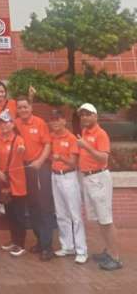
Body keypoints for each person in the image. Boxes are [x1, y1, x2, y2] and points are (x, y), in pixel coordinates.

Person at [77, 103, 121, 271]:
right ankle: (108, 251)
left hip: (99, 179)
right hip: (89, 178)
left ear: (95, 116)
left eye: (88, 114)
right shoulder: (85, 132)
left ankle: (115, 258)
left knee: (106, 220)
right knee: (100, 219)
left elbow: (103, 158)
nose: (84, 117)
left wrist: (85, 146)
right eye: (82, 115)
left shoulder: (101, 134)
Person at [14, 96, 55, 260]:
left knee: (43, 206)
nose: (23, 110)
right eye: (20, 107)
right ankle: (40, 241)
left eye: (25, 107)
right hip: (25, 169)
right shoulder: (15, 123)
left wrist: (40, 161)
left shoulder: (39, 123)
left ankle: (47, 246)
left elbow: (47, 144)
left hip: (39, 168)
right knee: (32, 206)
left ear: (31, 108)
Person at [48, 109, 88, 263]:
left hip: (69, 177)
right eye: (52, 119)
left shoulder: (71, 138)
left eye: (58, 119)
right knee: (61, 214)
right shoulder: (51, 136)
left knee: (75, 215)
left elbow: (73, 162)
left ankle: (81, 250)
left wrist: (60, 158)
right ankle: (67, 246)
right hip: (55, 176)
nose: (55, 122)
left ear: (64, 120)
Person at [0, 110, 27, 257]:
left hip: (17, 184)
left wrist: (21, 150)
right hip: (5, 183)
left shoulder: (18, 139)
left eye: (6, 122)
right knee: (10, 214)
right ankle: (14, 240)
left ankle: (21, 244)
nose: (3, 125)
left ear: (12, 124)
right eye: (1, 123)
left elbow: (22, 150)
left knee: (19, 215)